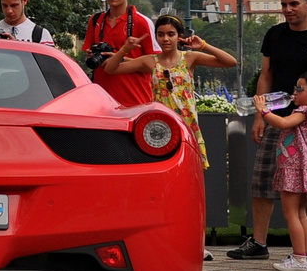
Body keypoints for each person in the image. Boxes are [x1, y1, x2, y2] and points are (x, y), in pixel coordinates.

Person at [228, 0, 307, 263]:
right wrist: (260, 114)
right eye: (283, 4)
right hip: (277, 116)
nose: (287, 9)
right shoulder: (275, 34)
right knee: (263, 180)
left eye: (293, 4)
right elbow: (266, 75)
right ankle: (258, 241)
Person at [102, 14, 237, 171]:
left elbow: (230, 62)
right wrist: (125, 49)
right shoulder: (150, 61)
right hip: (161, 127)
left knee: (189, 172)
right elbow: (110, 69)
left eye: (170, 34)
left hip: (187, 125)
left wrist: (203, 45)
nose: (165, 39)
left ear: (179, 36)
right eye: (161, 34)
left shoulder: (190, 58)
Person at [261, 71, 307, 271]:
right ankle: (303, 257)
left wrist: (264, 111)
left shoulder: (306, 111)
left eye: (300, 89)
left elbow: (283, 123)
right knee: (301, 214)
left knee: (291, 213)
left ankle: (300, 258)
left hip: (294, 167)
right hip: (300, 167)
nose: (294, 92)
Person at [84, 0, 159, 107]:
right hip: (103, 103)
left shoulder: (141, 22)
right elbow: (89, 57)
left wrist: (119, 59)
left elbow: (157, 65)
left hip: (135, 102)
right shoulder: (95, 21)